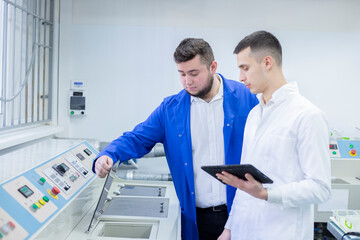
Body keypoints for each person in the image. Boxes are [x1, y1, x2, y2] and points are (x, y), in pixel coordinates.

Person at [93, 38, 258, 240]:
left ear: (213, 67)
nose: (187, 81)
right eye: (182, 74)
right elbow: (137, 138)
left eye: (194, 73)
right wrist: (109, 153)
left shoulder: (244, 96)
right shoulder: (171, 109)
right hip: (196, 219)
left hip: (240, 213)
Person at [217, 31, 331, 240]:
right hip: (243, 231)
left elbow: (320, 188)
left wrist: (267, 194)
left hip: (281, 233)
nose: (241, 77)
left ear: (267, 62)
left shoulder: (307, 116)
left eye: (245, 68)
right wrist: (229, 228)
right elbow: (246, 185)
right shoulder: (254, 115)